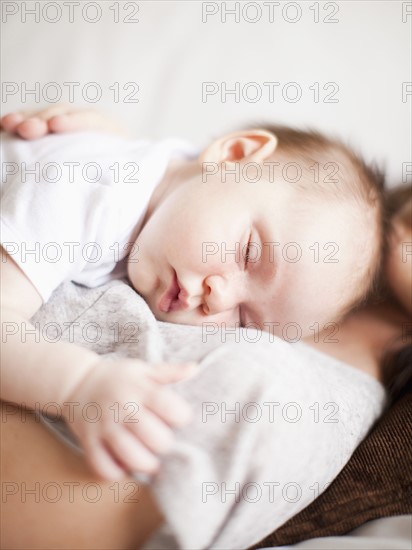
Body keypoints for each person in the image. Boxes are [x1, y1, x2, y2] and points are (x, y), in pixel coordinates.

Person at [0, 105, 385, 482]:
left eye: (244, 320)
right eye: (249, 254)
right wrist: (78, 385)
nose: (219, 299)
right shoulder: (84, 194)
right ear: (234, 154)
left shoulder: (184, 180)